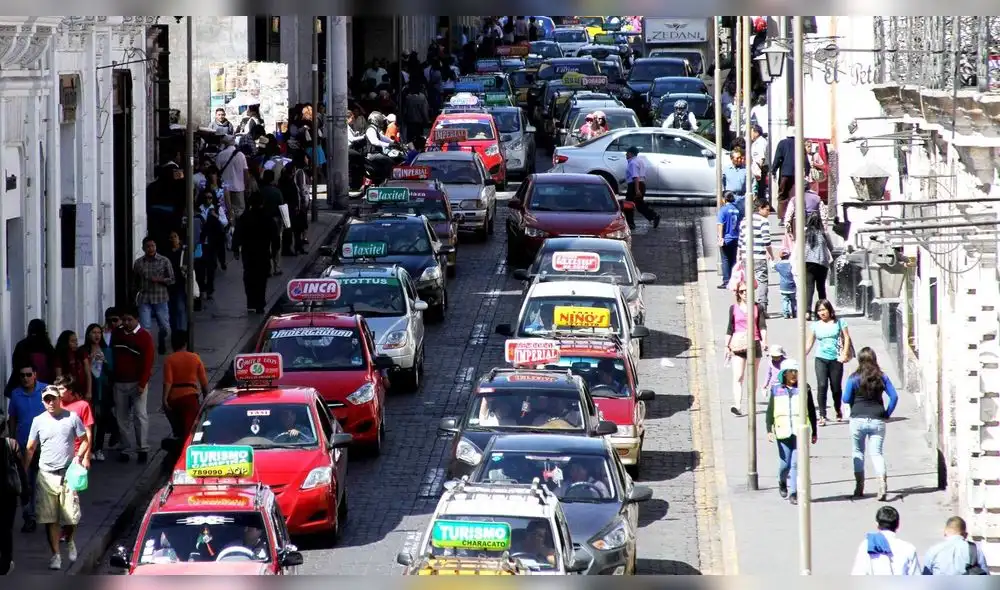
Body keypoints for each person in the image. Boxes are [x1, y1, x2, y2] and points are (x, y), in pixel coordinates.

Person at [23, 386, 90, 570]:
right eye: (47, 399)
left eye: (53, 398)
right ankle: (56, 555)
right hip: (46, 475)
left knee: (71, 517)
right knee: (50, 519)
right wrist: (23, 472)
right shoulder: (38, 421)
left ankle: (69, 539)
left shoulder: (72, 418)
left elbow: (84, 440)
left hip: (67, 474)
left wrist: (79, 456)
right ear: (43, 402)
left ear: (60, 399)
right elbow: (30, 448)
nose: (51, 402)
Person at [843, 347, 899, 500]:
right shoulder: (882, 377)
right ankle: (881, 484)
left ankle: (859, 486)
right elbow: (894, 397)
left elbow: (846, 398)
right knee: (876, 453)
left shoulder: (854, 378)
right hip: (877, 418)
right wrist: (887, 413)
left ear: (859, 360)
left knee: (858, 452)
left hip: (858, 418)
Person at [765, 359, 817, 504]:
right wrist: (769, 429)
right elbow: (770, 411)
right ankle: (782, 481)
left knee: (795, 464)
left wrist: (814, 431)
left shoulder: (805, 388)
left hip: (799, 432)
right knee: (785, 464)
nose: (794, 375)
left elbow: (811, 410)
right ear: (784, 374)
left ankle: (794, 493)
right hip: (783, 431)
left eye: (796, 372)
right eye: (790, 372)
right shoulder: (776, 389)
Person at [111, 306, 155, 463]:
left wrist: (142, 383)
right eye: (124, 320)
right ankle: (125, 449)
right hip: (119, 382)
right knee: (121, 417)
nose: (126, 323)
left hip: (137, 382)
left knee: (140, 416)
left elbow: (148, 362)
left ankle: (142, 448)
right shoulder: (117, 334)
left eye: (130, 320)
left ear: (137, 319)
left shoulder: (144, 337)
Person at [6, 362, 46, 533]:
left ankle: (48, 515)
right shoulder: (15, 395)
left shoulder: (46, 390)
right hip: (23, 446)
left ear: (35, 375)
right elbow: (12, 418)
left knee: (44, 483)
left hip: (45, 445)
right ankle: (29, 517)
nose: (25, 378)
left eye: (29, 374)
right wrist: (12, 440)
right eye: (22, 375)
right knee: (26, 483)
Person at [806, 299, 853, 425]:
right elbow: (810, 342)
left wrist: (844, 353)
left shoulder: (840, 322)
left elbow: (846, 338)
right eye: (819, 310)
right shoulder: (815, 325)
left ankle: (838, 409)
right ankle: (822, 415)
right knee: (822, 385)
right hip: (820, 358)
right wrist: (802, 355)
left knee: (836, 387)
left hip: (836, 359)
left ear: (829, 310)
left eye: (824, 309)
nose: (822, 313)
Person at [725, 280, 768, 417]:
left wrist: (764, 341)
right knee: (738, 376)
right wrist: (726, 345)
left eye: (747, 290)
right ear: (738, 293)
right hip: (738, 345)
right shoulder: (733, 308)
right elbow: (730, 328)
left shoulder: (758, 307)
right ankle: (737, 405)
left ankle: (751, 404)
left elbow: (762, 326)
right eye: (741, 291)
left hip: (754, 343)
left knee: (752, 376)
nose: (744, 293)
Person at [232, 192, 274, 314]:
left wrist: (236, 249)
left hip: (248, 253)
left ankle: (251, 302)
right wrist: (275, 249)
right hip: (263, 253)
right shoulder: (267, 217)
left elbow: (237, 234)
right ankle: (260, 303)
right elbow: (274, 235)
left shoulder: (245, 217)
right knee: (262, 279)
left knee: (249, 278)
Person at [162, 331, 208, 439]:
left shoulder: (169, 359)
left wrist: (164, 399)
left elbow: (168, 381)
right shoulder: (195, 358)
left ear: (172, 344)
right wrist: (206, 398)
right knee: (190, 430)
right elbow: (204, 383)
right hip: (190, 398)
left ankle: (177, 436)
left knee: (178, 429)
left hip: (174, 398)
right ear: (185, 343)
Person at [133, 236, 175, 355]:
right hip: (144, 297)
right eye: (148, 246)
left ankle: (162, 342)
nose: (150, 249)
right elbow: (135, 280)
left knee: (165, 327)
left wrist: (160, 280)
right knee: (145, 327)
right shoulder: (138, 263)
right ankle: (147, 351)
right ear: (143, 248)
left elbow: (172, 279)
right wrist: (134, 294)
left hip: (160, 297)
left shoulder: (164, 261)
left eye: (153, 246)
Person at [850, 506, 920, 575]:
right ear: (898, 524)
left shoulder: (867, 545)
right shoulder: (908, 548)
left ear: (877, 524)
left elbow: (858, 574)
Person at [81, 323, 113, 462]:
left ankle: (99, 448)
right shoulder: (84, 350)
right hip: (90, 388)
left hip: (103, 389)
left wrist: (105, 362)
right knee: (90, 420)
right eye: (93, 332)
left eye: (99, 332)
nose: (97, 335)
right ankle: (89, 447)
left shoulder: (106, 350)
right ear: (88, 334)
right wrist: (90, 359)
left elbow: (111, 371)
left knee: (101, 418)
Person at [0, 423, 29, 574]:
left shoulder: (11, 444)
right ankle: (5, 563)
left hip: (8, 495)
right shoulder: (11, 444)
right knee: (6, 529)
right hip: (8, 494)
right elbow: (21, 471)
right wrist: (25, 495)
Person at [737, 197, 774, 311]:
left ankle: (748, 307)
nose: (769, 213)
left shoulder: (744, 220)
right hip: (759, 256)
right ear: (760, 208)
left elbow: (740, 240)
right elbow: (766, 240)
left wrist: (738, 255)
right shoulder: (763, 221)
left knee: (748, 282)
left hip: (745, 256)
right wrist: (771, 254)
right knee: (762, 281)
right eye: (767, 210)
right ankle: (762, 308)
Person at [4, 319, 56, 397]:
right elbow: (52, 368)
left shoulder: (22, 345)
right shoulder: (48, 347)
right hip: (43, 386)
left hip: (24, 385)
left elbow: (15, 364)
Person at [922, 516, 989, 575]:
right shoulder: (975, 550)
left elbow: (926, 577)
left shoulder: (933, 550)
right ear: (965, 535)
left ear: (945, 532)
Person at [771, 126, 811, 222]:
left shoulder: (782, 143)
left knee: (782, 195)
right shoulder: (800, 144)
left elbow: (778, 158)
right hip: (796, 174)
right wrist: (807, 171)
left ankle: (782, 217)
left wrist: (773, 170)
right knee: (793, 196)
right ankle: (792, 216)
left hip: (784, 174)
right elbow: (805, 160)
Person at [799, 211, 834, 316]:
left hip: (808, 263)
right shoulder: (824, 233)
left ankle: (807, 312)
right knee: (821, 288)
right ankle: (824, 310)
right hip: (822, 263)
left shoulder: (805, 233)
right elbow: (831, 247)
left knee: (809, 288)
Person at [623, 145, 660, 230]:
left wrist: (637, 190)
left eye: (627, 152)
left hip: (635, 185)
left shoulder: (632, 163)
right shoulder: (639, 161)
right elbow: (637, 174)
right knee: (639, 205)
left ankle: (630, 224)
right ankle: (654, 216)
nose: (626, 154)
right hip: (641, 184)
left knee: (628, 205)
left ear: (631, 154)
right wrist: (624, 179)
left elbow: (635, 177)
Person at [214, 135, 250, 219]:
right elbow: (246, 172)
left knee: (225, 212)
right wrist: (247, 187)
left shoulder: (220, 155)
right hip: (239, 189)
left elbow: (216, 172)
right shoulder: (241, 155)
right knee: (239, 213)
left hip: (224, 189)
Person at [259, 169, 285, 276]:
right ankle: (277, 268)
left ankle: (267, 268)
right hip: (275, 221)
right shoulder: (277, 192)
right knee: (276, 245)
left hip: (263, 220)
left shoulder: (260, 191)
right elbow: (282, 206)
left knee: (265, 245)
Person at [54, 331, 91, 401]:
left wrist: (89, 391)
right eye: (72, 341)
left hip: (83, 390)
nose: (76, 343)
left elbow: (88, 374)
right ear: (65, 343)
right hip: (68, 392)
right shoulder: (60, 356)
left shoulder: (82, 353)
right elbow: (58, 377)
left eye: (76, 340)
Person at [164, 231, 189, 333]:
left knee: (180, 307)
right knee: (171, 309)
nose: (173, 239)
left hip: (180, 283)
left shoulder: (184, 252)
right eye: (171, 237)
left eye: (175, 236)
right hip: (169, 284)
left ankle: (181, 330)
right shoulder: (167, 253)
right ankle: (174, 330)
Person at [716, 191, 741, 289]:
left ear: (724, 199)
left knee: (725, 259)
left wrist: (720, 237)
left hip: (727, 237)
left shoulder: (723, 210)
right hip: (736, 237)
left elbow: (720, 224)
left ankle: (726, 281)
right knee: (734, 259)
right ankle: (734, 280)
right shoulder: (737, 209)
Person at [722, 146, 748, 214]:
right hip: (730, 198)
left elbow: (753, 182)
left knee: (741, 217)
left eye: (740, 158)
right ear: (731, 158)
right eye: (737, 158)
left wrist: (754, 194)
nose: (739, 160)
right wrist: (723, 197)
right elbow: (722, 184)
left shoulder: (746, 169)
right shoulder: (726, 170)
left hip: (742, 199)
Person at [774, 251, 797, 319]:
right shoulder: (791, 264)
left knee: (785, 300)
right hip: (792, 285)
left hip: (783, 286)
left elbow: (773, 266)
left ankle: (786, 313)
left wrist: (771, 260)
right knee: (793, 300)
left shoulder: (779, 265)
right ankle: (794, 312)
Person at [749, 124, 768, 199]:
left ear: (756, 133)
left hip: (759, 170)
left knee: (760, 191)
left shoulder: (761, 142)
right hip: (757, 170)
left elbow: (761, 158)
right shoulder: (756, 142)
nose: (750, 135)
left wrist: (759, 171)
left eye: (751, 132)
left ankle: (760, 204)